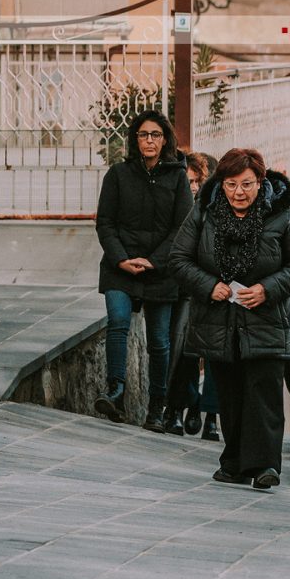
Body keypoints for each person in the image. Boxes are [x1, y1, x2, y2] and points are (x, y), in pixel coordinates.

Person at [171, 147, 290, 490]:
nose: (239, 192)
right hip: (219, 320)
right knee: (230, 395)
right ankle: (233, 462)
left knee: (263, 394)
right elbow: (179, 258)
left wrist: (267, 288)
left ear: (260, 182)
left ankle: (265, 465)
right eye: (231, 184)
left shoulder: (283, 215)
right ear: (221, 183)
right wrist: (210, 286)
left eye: (246, 184)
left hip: (267, 318)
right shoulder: (204, 213)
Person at [94, 110, 193, 430]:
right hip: (119, 266)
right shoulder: (117, 174)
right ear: (134, 139)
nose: (149, 141)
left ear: (165, 140)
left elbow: (182, 226)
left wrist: (155, 261)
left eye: (155, 135)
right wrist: (121, 258)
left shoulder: (178, 176)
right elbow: (105, 222)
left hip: (160, 269)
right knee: (118, 321)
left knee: (159, 341)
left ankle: (156, 408)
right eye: (143, 135)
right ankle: (116, 392)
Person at [162, 151, 220, 441]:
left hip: (216, 288)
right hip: (187, 288)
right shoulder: (178, 205)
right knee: (183, 350)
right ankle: (177, 407)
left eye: (197, 181)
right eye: (188, 180)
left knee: (214, 357)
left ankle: (210, 416)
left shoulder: (217, 207)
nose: (193, 187)